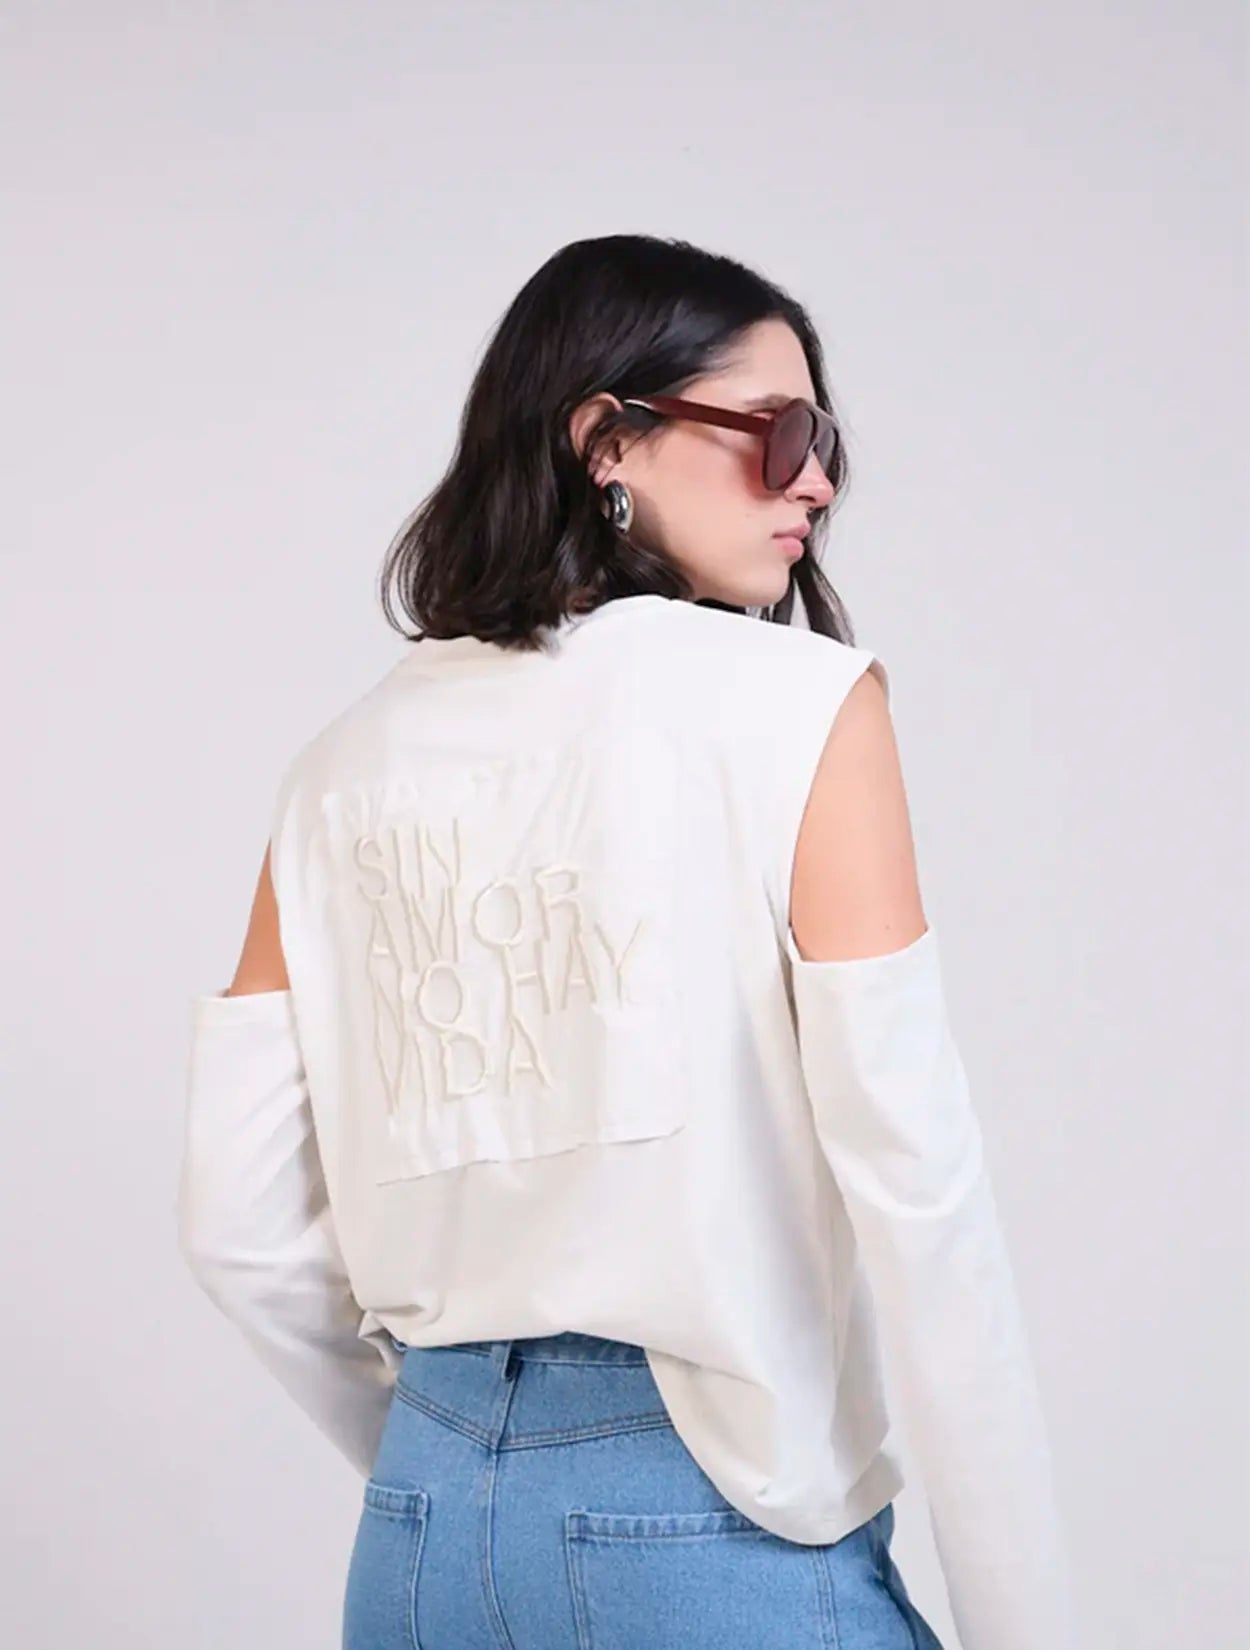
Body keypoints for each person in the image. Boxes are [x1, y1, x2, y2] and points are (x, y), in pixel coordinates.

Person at [178, 234, 1078, 1650]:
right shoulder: (801, 705)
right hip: (711, 1533)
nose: (817, 483)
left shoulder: (340, 765)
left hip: (418, 1543)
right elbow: (922, 1199)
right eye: (778, 435)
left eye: (827, 444)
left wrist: (449, 1463)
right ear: (607, 438)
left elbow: (238, 1225)